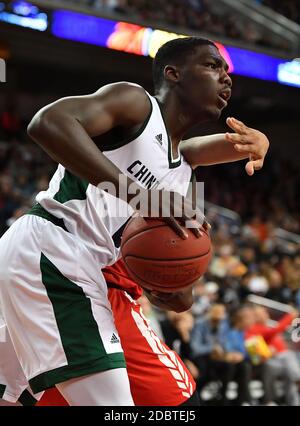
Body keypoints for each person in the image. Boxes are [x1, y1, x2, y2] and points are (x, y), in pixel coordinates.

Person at [0, 36, 269, 405]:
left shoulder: (185, 180)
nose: (226, 78)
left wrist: (176, 283)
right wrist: (142, 196)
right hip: (54, 250)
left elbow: (177, 296)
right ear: (172, 74)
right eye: (212, 66)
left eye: (226, 71)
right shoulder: (136, 104)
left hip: (71, 266)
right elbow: (47, 122)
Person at [246, 306, 300, 405]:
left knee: (289, 366)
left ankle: (294, 402)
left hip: (281, 361)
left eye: (264, 313)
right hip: (270, 361)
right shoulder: (254, 329)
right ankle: (298, 379)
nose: (263, 316)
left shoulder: (268, 327)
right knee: (289, 357)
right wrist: (290, 317)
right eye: (258, 314)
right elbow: (274, 332)